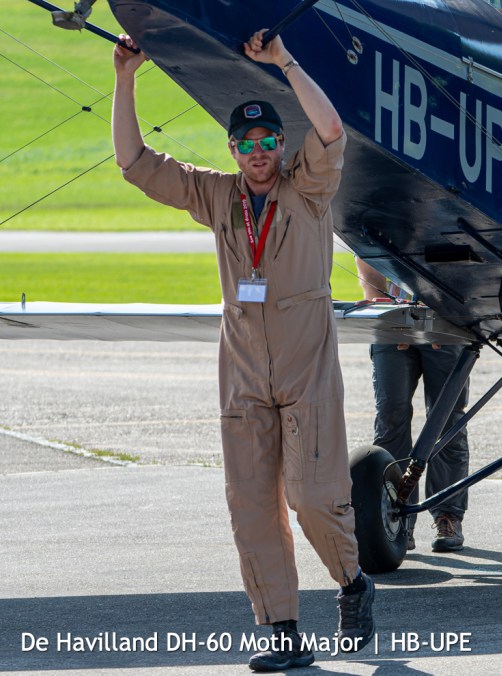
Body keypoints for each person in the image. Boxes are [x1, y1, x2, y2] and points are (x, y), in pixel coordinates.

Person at [113, 30, 375, 671]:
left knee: (312, 498)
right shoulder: (217, 196)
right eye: (246, 144)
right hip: (242, 378)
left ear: (281, 146)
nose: (258, 153)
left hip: (307, 374)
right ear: (232, 150)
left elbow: (331, 130)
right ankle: (282, 632)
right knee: (252, 507)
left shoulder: (308, 189)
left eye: (267, 142)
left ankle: (352, 583)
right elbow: (135, 163)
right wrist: (125, 78)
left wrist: (283, 60)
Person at [355, 257, 471, 552]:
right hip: (393, 321)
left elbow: (466, 260)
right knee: (390, 419)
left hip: (446, 317)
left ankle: (448, 515)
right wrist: (389, 313)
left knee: (446, 422)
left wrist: (441, 316)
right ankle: (396, 519)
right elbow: (365, 254)